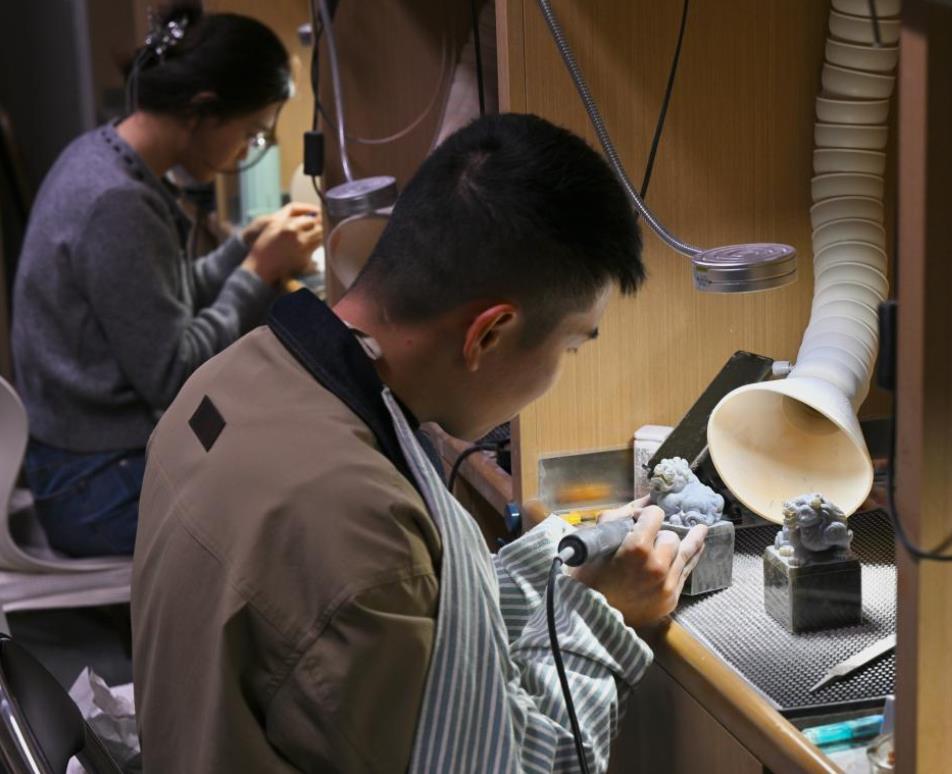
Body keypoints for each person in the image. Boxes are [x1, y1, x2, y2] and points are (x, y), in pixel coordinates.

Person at [132, 113, 708, 773]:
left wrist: (552, 569)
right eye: (572, 346)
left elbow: (407, 620)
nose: (563, 369)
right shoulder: (362, 534)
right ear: (488, 333)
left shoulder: (229, 381)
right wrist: (603, 618)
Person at [11, 5, 322, 557]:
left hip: (78, 469)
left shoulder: (100, 154)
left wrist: (242, 249)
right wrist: (257, 271)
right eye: (250, 134)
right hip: (96, 488)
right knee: (297, 495)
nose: (245, 151)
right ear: (203, 111)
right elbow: (175, 371)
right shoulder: (118, 202)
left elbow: (154, 302)